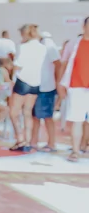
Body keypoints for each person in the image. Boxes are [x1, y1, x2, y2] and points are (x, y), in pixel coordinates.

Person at [8, 24, 48, 152]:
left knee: (14, 112)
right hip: (36, 83)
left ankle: (20, 139)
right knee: (27, 113)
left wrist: (11, 79)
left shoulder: (23, 47)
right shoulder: (43, 48)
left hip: (22, 81)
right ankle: (28, 140)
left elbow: (18, 65)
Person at [58, 16, 89, 162]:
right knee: (77, 119)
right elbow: (63, 65)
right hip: (76, 87)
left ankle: (84, 146)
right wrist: (60, 84)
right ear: (84, 27)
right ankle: (75, 151)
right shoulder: (73, 44)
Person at [30, 32, 62, 152]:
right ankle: (34, 141)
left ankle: (51, 143)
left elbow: (58, 65)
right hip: (40, 85)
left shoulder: (49, 47)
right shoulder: (46, 46)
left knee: (46, 116)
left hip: (46, 87)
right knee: (37, 116)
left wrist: (57, 81)